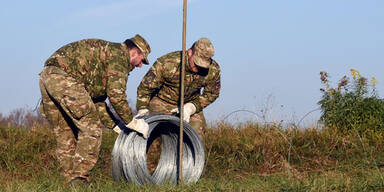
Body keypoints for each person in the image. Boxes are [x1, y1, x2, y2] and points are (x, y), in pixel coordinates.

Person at [39, 34, 151, 184]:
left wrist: (115, 125)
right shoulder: (120, 57)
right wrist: (132, 122)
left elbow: (97, 103)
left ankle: (67, 182)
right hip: (64, 79)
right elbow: (116, 96)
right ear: (134, 52)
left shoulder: (108, 56)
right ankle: (80, 180)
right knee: (92, 128)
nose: (140, 65)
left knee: (65, 134)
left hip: (48, 77)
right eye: (142, 60)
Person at [134, 37, 221, 139]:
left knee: (196, 133)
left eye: (202, 66)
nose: (198, 68)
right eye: (196, 63)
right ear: (189, 53)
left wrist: (192, 107)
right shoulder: (167, 63)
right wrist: (142, 109)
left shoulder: (213, 70)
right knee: (150, 133)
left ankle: (190, 154)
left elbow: (212, 93)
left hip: (189, 102)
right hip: (162, 101)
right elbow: (145, 88)